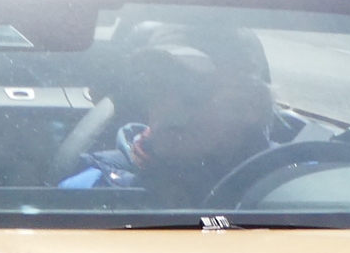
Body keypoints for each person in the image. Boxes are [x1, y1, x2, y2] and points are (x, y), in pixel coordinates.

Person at [59, 32, 293, 199]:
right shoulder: (94, 188)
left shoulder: (298, 181)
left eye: (192, 90)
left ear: (248, 106)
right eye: (158, 88)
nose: (169, 105)